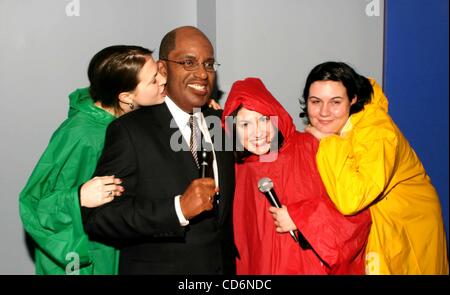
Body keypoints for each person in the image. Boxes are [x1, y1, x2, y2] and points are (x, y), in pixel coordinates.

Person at [82, 26, 236, 274]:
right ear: (163, 69)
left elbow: (273, 142)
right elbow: (100, 217)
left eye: (209, 64)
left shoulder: (219, 121)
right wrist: (177, 209)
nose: (202, 73)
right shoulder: (130, 131)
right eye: (189, 62)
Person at [19, 45, 167, 274]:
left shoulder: (130, 115)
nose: (163, 81)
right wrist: (77, 197)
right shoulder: (82, 135)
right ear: (126, 97)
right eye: (154, 80)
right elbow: (34, 204)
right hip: (90, 259)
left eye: (159, 71)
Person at [301, 61, 449, 274]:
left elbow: (352, 199)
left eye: (335, 102)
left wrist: (328, 142)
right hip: (378, 221)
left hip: (407, 226)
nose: (324, 112)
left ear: (353, 99)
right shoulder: (340, 127)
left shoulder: (378, 133)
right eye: (316, 101)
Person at [221, 77, 372, 274]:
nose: (257, 132)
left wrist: (301, 219)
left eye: (264, 119)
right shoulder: (236, 170)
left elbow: (358, 213)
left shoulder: (312, 148)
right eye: (245, 125)